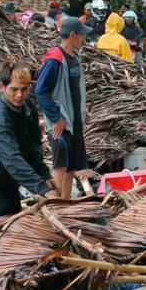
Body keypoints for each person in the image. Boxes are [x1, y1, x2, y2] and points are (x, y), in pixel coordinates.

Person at [0, 61, 52, 216]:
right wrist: (43, 188)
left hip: (6, 172)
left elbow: (33, 145)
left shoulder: (27, 106)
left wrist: (44, 174)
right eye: (14, 89)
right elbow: (12, 159)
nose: (19, 95)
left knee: (13, 216)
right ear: (1, 87)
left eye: (24, 89)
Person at [36, 17, 90, 199]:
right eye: (82, 35)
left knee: (71, 168)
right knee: (60, 166)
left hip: (74, 122)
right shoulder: (54, 59)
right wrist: (56, 118)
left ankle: (65, 205)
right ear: (72, 35)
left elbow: (75, 89)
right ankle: (57, 206)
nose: (84, 40)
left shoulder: (74, 58)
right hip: (62, 123)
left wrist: (83, 110)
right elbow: (41, 91)